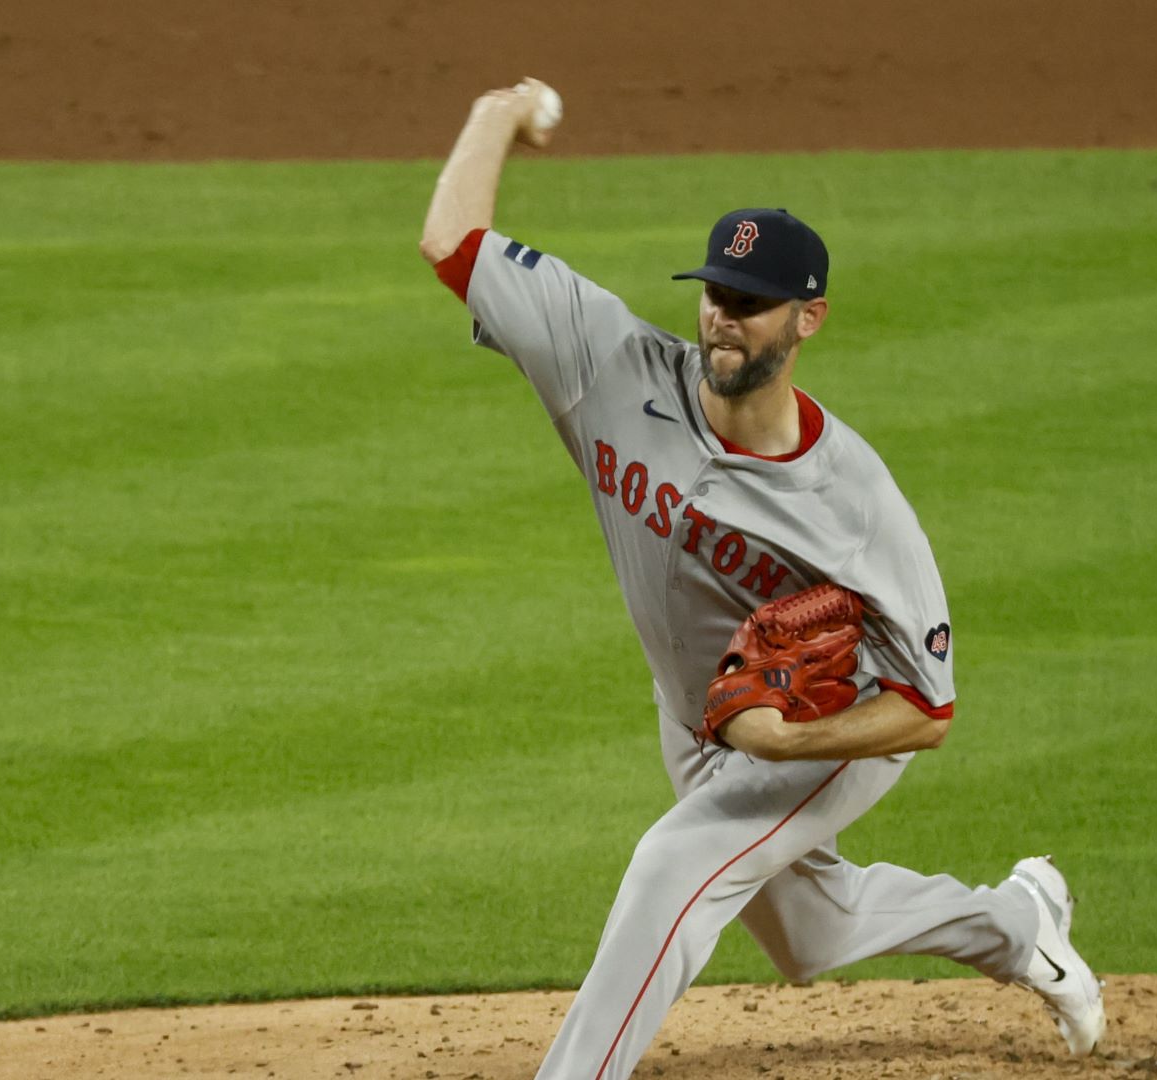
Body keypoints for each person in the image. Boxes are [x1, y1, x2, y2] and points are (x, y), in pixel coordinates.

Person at [417, 78, 1105, 1080]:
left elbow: (928, 709)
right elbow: (453, 243)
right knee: (809, 937)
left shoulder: (856, 506)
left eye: (749, 305)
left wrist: (790, 742)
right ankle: (1020, 923)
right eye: (714, 296)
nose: (722, 321)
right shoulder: (609, 368)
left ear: (807, 319)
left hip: (828, 717)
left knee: (673, 865)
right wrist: (500, 111)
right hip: (698, 707)